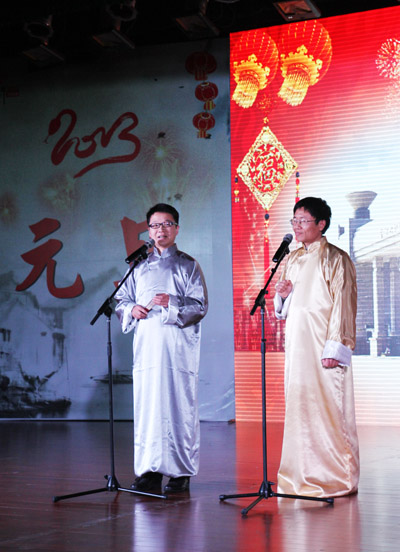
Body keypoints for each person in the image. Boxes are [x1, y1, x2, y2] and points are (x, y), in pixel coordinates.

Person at [115, 203, 208, 494]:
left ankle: (180, 472)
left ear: (176, 229)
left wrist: (172, 303)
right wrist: (132, 309)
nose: (161, 230)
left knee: (179, 407)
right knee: (148, 408)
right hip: (147, 349)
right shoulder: (138, 266)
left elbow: (200, 306)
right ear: (149, 230)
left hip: (177, 349)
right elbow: (121, 300)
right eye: (155, 225)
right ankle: (149, 471)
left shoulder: (188, 265)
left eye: (167, 224)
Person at [274, 197, 360, 498]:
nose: (297, 226)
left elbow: (344, 304)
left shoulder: (336, 258)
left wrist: (336, 347)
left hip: (323, 345)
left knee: (328, 409)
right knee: (300, 407)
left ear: (321, 224)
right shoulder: (292, 258)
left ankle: (336, 477)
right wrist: (283, 295)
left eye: (303, 220)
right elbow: (286, 309)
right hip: (298, 345)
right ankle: (299, 475)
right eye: (294, 220)